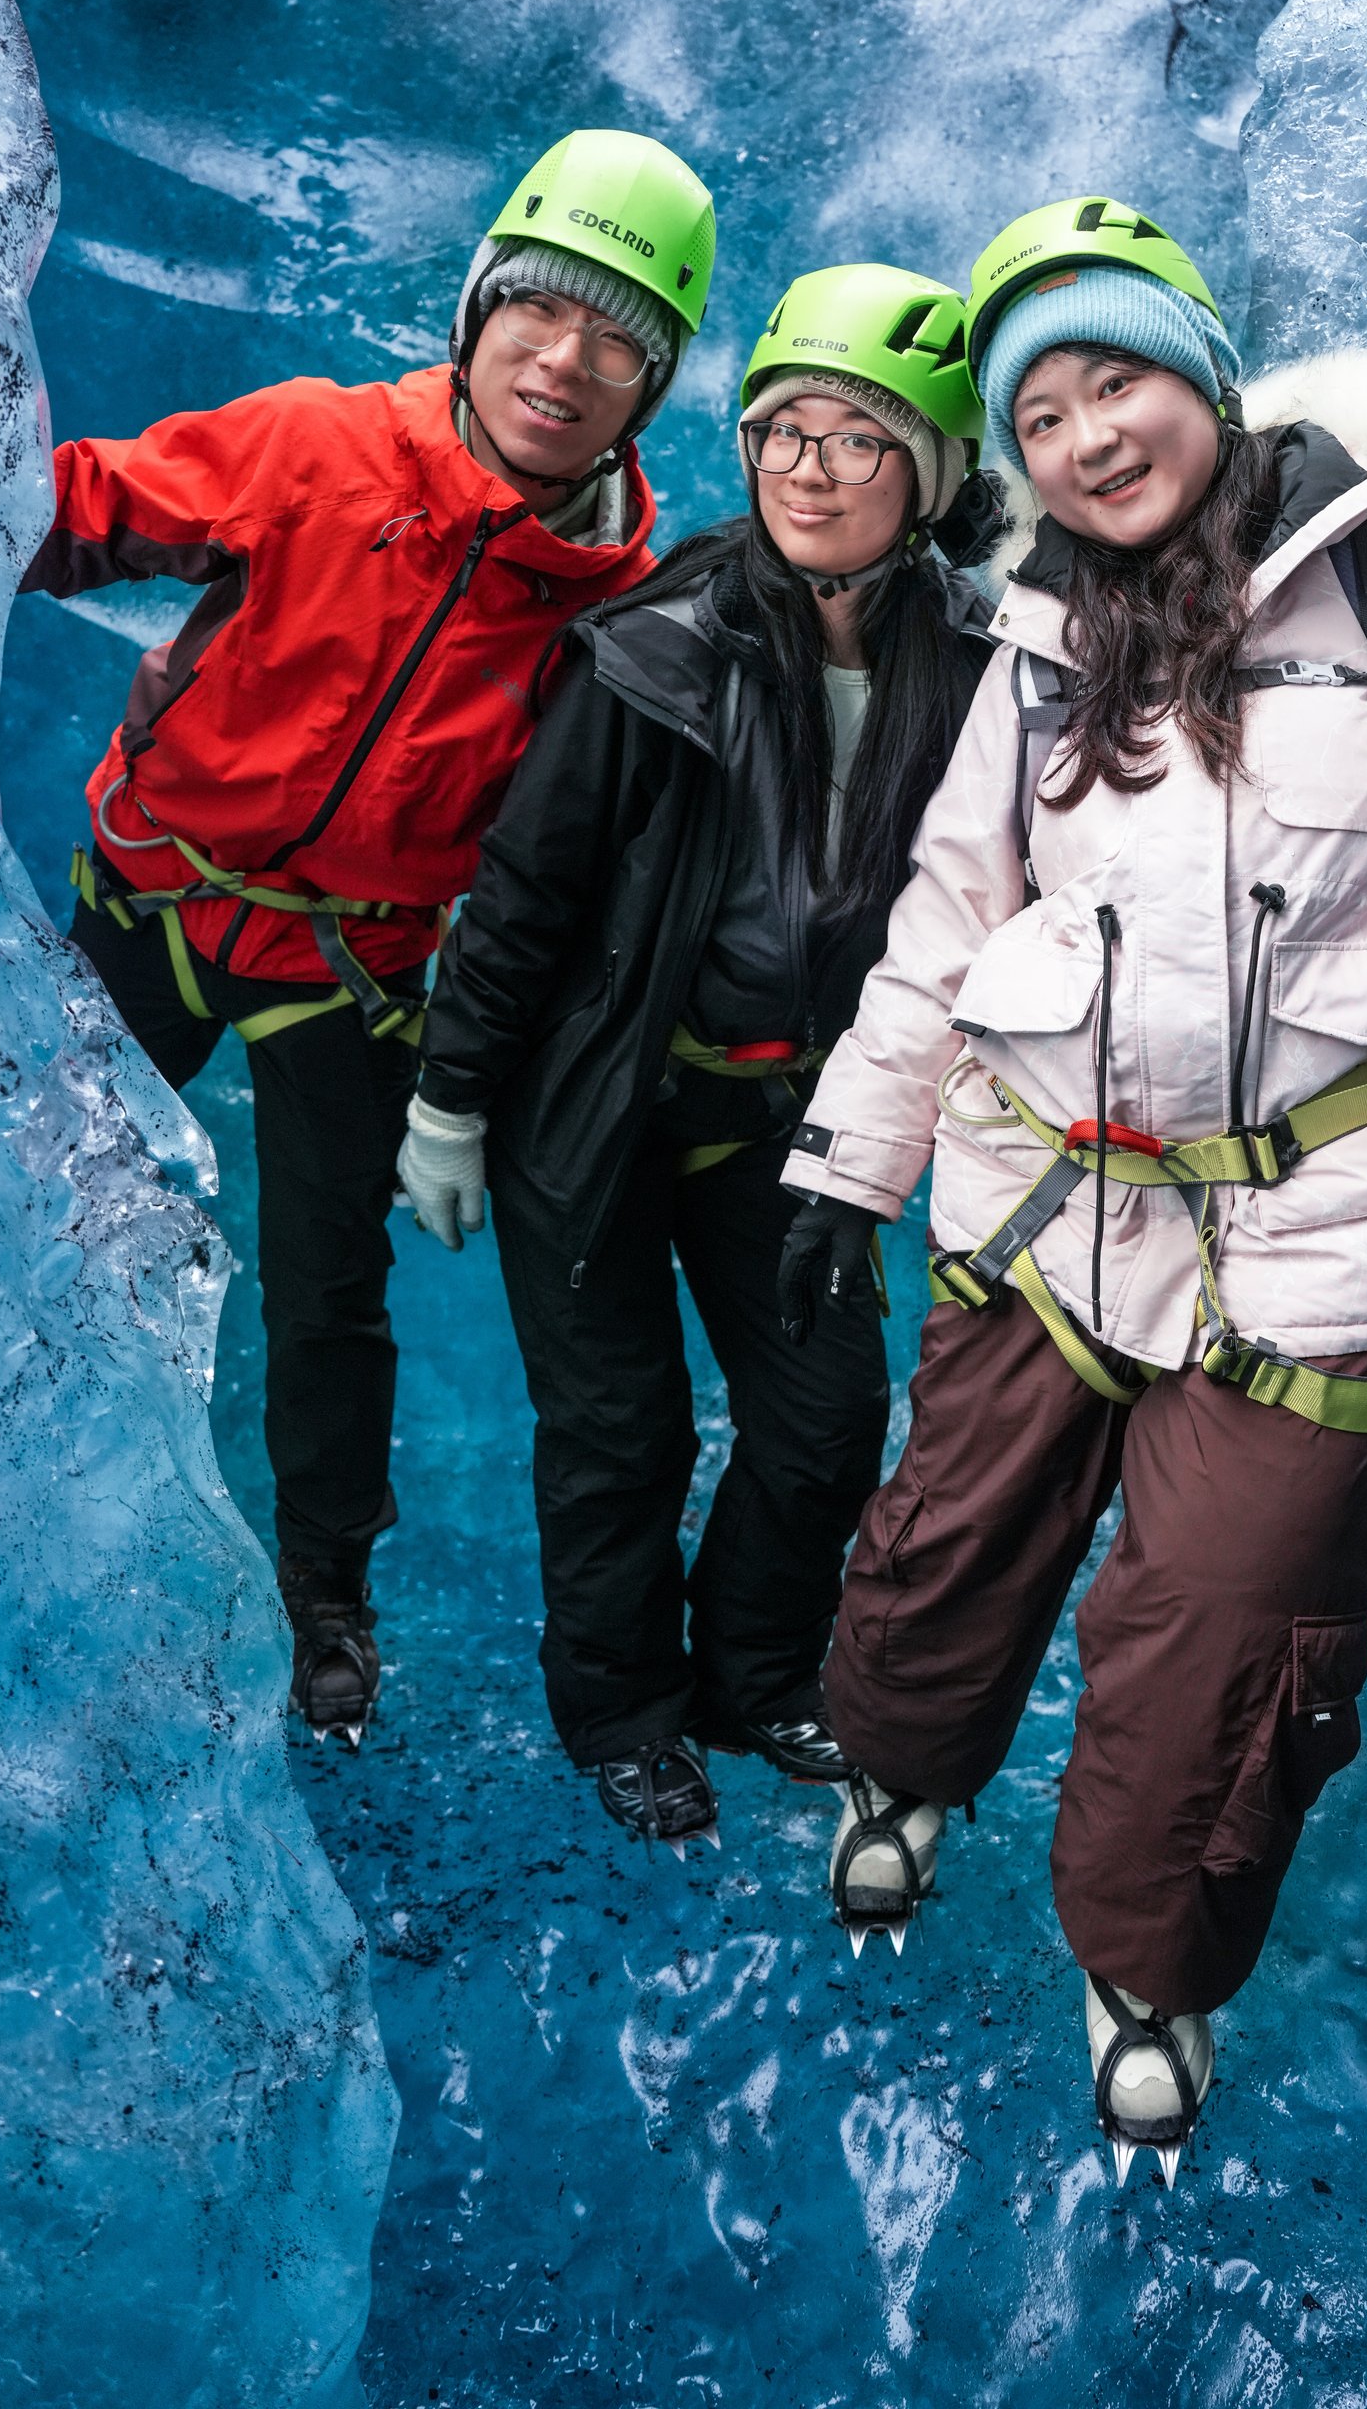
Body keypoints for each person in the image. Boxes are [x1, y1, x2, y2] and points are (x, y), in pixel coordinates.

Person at [774, 196, 1367, 2172]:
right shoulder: (1030, 642)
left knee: (1232, 1631)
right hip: (1046, 1190)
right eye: (1041, 416)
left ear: (1202, 373)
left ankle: (1147, 1962)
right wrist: (848, 1165)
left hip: (1328, 1218)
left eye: (1116, 382)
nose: (1087, 438)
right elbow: (947, 917)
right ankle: (901, 1773)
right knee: (952, 1536)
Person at [23, 129, 715, 1740]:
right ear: (477, 313)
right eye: (538, 311)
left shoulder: (612, 605)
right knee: (33, 1203)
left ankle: (324, 1589)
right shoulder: (321, 445)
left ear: (653, 388)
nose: (566, 362)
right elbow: (83, 510)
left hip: (347, 970)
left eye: (618, 343)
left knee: (328, 1296)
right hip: (157, 897)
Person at [396, 262, 1000, 1850]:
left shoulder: (980, 662)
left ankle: (753, 1678)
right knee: (622, 1431)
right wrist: (451, 1099)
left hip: (790, 1110)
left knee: (823, 1424)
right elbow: (526, 893)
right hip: (596, 1104)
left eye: (857, 440)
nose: (809, 470)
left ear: (931, 475)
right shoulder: (659, 644)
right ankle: (628, 1713)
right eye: (781, 432)